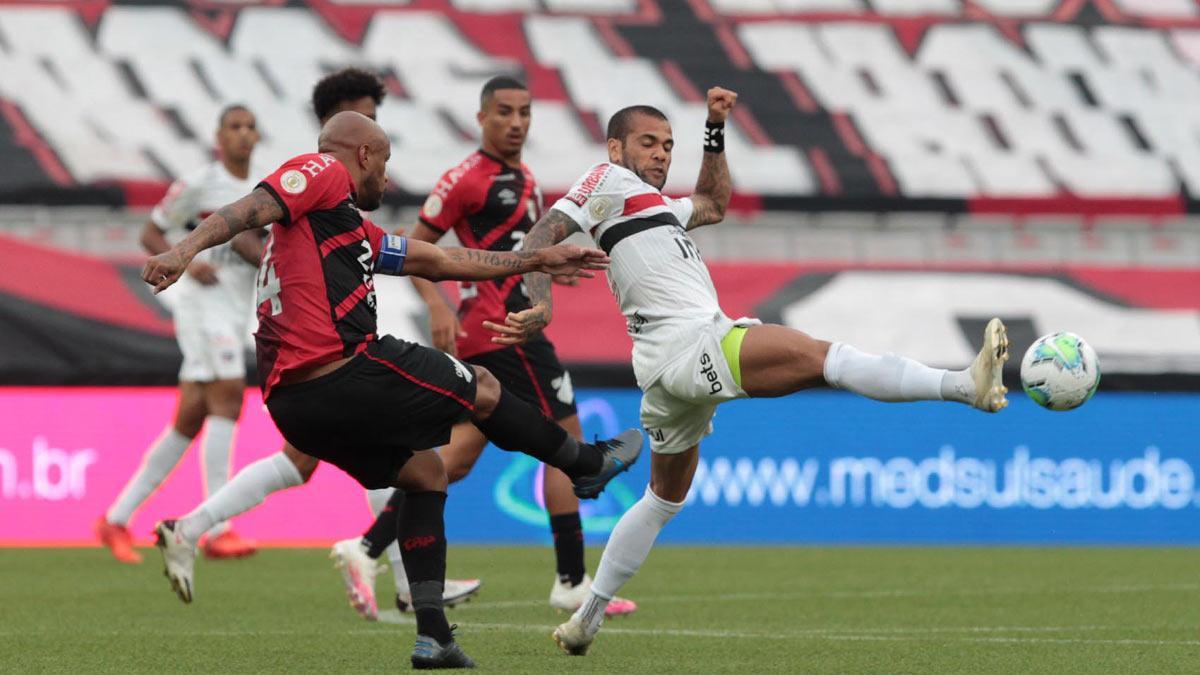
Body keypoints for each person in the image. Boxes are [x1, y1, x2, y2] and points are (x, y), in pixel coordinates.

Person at [485, 87, 1011, 656]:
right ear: (615, 148)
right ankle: (962, 386)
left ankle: (585, 620)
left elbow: (712, 203)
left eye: (668, 145)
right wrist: (540, 301)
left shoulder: (656, 207)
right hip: (692, 345)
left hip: (664, 370)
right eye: (647, 143)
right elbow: (542, 235)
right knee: (824, 359)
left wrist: (713, 128)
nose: (662, 154)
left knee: (663, 498)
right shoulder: (605, 181)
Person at [145, 111, 643, 668]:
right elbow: (245, 209)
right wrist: (183, 250)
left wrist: (536, 258)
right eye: (384, 163)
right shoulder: (323, 171)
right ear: (363, 155)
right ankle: (583, 464)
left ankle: (433, 636)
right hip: (340, 370)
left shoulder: (344, 229)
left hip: (292, 404)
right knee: (481, 383)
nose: (387, 178)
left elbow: (441, 258)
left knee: (425, 472)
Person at [330, 76, 636, 621]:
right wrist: (437, 304)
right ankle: (570, 580)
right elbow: (417, 243)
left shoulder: (525, 178)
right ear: (481, 118)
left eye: (524, 112)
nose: (516, 122)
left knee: (461, 455)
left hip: (505, 323)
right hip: (502, 330)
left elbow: (521, 249)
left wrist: (546, 276)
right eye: (504, 112)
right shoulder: (467, 179)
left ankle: (366, 547)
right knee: (565, 437)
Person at [96, 105, 264, 563]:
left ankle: (116, 519)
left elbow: (259, 248)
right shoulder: (197, 184)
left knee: (189, 419)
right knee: (230, 395)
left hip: (233, 309)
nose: (244, 135)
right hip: (199, 305)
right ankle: (218, 528)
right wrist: (188, 259)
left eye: (250, 127)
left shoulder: (262, 189)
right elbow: (151, 234)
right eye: (235, 127)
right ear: (218, 136)